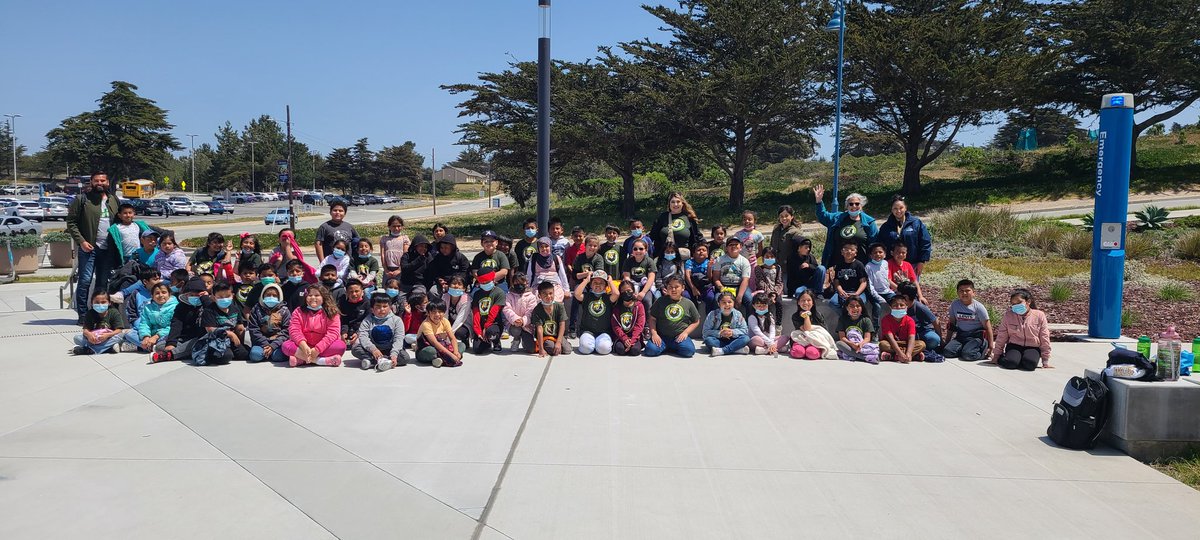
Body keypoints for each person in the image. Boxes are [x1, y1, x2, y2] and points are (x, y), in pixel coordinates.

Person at [67, 172, 122, 320]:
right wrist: (82, 241)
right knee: (85, 281)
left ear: (108, 182)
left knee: (102, 284)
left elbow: (121, 221)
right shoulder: (82, 199)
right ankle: (83, 315)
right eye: (96, 180)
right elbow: (71, 223)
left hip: (107, 250)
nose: (100, 183)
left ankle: (100, 315)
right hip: (88, 248)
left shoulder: (113, 199)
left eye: (102, 180)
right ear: (91, 182)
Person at [813, 185, 878, 267]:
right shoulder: (837, 218)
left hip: (860, 267)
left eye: (857, 204)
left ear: (861, 206)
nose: (854, 206)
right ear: (847, 206)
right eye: (851, 204)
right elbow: (823, 216)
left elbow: (875, 243)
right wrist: (819, 202)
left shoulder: (869, 222)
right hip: (837, 265)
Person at [989, 288, 1052, 370]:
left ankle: (1021, 360)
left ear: (1028, 302)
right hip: (1014, 345)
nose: (1016, 306)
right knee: (1010, 363)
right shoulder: (1008, 315)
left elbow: (1044, 336)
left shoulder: (1039, 315)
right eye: (1013, 304)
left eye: (1019, 302)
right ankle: (1006, 358)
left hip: (1032, 347)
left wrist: (1045, 360)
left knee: (1030, 365)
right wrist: (996, 356)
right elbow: (1002, 336)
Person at [284, 285, 345, 367]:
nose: (313, 297)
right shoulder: (298, 311)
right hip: (304, 346)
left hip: (323, 346)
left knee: (340, 346)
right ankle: (322, 361)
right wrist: (304, 346)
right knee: (285, 346)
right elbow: (294, 330)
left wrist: (317, 350)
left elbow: (333, 333)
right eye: (309, 295)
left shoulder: (332, 312)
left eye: (317, 295)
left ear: (323, 297)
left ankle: (302, 359)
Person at [154, 276, 210, 363]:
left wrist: (206, 300)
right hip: (184, 338)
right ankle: (181, 352)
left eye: (198, 295)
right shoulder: (181, 306)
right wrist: (171, 343)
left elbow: (213, 315)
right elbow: (176, 324)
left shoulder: (208, 305)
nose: (195, 297)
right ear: (187, 295)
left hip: (200, 337)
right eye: (192, 295)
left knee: (198, 343)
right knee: (159, 346)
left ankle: (170, 355)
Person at [644, 275, 701, 358]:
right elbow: (652, 318)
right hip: (662, 337)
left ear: (682, 288)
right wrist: (654, 334)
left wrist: (685, 333)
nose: (673, 290)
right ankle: (665, 346)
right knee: (650, 350)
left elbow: (696, 321)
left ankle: (672, 347)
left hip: (678, 337)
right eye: (670, 287)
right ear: (667, 288)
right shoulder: (660, 301)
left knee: (689, 351)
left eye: (676, 287)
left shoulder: (688, 303)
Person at [878, 194, 932, 276]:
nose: (898, 211)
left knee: (912, 288)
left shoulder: (916, 223)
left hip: (912, 264)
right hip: (892, 266)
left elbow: (925, 242)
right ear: (891, 210)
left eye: (901, 208)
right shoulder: (885, 227)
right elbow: (880, 245)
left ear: (906, 208)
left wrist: (921, 261)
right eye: (895, 208)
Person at [195, 282, 249, 364]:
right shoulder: (209, 310)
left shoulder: (235, 309)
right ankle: (209, 354)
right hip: (215, 340)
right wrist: (230, 334)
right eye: (220, 297)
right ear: (213, 297)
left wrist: (240, 343)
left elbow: (240, 327)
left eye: (227, 296)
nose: (224, 299)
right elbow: (210, 330)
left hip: (231, 340)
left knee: (245, 355)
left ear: (233, 296)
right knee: (226, 356)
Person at [353, 292, 408, 371]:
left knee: (405, 358)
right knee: (355, 349)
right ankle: (381, 361)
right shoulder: (367, 320)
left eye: (385, 306)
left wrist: (394, 354)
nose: (382, 309)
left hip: (390, 349)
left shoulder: (397, 320)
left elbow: (399, 338)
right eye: (378, 307)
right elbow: (363, 336)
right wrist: (373, 349)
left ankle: (373, 362)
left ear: (390, 308)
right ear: (372, 309)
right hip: (373, 350)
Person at [943, 279, 994, 361]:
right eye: (961, 291)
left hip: (975, 337)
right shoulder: (954, 305)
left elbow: (988, 327)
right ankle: (965, 349)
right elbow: (952, 324)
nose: (964, 293)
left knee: (968, 355)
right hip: (961, 336)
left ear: (973, 292)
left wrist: (990, 346)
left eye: (967, 290)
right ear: (957, 292)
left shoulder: (979, 307)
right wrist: (947, 342)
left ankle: (981, 349)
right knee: (947, 352)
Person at [574, 270, 619, 355]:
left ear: (606, 285)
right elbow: (577, 294)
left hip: (604, 331)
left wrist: (610, 282)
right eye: (595, 282)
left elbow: (616, 294)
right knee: (585, 349)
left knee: (604, 349)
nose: (598, 285)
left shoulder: (607, 298)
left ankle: (597, 344)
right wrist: (587, 280)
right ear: (591, 285)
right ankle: (592, 344)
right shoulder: (587, 296)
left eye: (601, 283)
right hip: (587, 331)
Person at [124, 282, 177, 354]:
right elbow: (145, 323)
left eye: (164, 292)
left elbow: (173, 327)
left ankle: (145, 347)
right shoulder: (148, 308)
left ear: (169, 294)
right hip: (151, 335)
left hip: (164, 335)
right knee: (129, 333)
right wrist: (146, 336)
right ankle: (151, 347)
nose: (161, 295)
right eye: (157, 293)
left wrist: (156, 336)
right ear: (152, 296)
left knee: (167, 338)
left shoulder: (175, 307)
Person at [784, 290, 838, 359]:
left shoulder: (818, 315)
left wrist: (806, 315)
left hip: (815, 340)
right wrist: (806, 315)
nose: (806, 303)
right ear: (798, 302)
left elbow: (823, 331)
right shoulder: (795, 316)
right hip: (801, 339)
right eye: (803, 300)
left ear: (813, 303)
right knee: (798, 352)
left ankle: (812, 350)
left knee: (811, 353)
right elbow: (806, 329)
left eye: (808, 300)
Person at [569, 234, 605, 336]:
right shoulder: (579, 257)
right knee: (576, 297)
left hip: (595, 284)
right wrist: (586, 274)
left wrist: (584, 275)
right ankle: (572, 327)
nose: (592, 248)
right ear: (585, 245)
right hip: (582, 284)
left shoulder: (598, 258)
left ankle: (590, 327)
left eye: (595, 246)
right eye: (590, 245)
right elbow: (575, 275)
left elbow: (598, 274)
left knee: (593, 299)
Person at [247, 282, 291, 363]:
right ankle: (267, 352)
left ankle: (269, 353)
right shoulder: (256, 309)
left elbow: (286, 331)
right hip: (260, 342)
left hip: (278, 343)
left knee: (278, 357)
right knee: (255, 355)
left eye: (274, 295)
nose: (271, 297)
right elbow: (253, 329)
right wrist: (266, 345)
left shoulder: (285, 311)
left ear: (279, 297)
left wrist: (273, 346)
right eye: (268, 295)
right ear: (263, 296)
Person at [650, 191, 704, 258]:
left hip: (684, 257)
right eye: (672, 202)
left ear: (682, 203)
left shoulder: (689, 218)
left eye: (678, 202)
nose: (675, 204)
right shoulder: (662, 217)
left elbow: (698, 237)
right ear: (669, 204)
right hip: (665, 258)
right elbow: (652, 236)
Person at [73, 290, 127, 355]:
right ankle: (109, 348)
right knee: (77, 338)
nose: (100, 305)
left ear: (109, 303)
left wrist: (107, 335)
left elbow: (119, 330)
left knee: (120, 336)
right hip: (95, 339)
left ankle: (91, 350)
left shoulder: (114, 312)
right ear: (92, 303)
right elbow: (85, 330)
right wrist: (89, 335)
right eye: (97, 302)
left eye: (103, 302)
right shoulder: (90, 313)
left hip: (109, 337)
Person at [417, 300, 464, 367]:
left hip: (443, 345)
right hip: (426, 348)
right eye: (434, 312)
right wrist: (451, 355)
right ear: (428, 313)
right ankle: (444, 358)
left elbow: (452, 338)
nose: (437, 314)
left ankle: (439, 360)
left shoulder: (445, 321)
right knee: (431, 351)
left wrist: (456, 352)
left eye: (440, 312)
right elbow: (434, 343)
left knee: (461, 345)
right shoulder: (426, 324)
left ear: (444, 313)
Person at [702, 291, 750, 356]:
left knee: (745, 338)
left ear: (733, 303)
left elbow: (745, 330)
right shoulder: (712, 314)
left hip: (733, 339)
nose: (727, 304)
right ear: (718, 304)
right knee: (709, 340)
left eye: (729, 302)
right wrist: (720, 333)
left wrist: (732, 332)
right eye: (723, 302)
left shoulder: (738, 314)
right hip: (718, 340)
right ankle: (736, 349)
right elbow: (705, 332)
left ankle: (722, 350)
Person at [879, 295, 926, 363]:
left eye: (902, 305)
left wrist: (909, 353)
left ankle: (894, 356)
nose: (898, 307)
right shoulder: (885, 319)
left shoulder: (910, 320)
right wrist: (900, 353)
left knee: (922, 344)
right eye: (895, 305)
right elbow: (890, 338)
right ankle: (912, 356)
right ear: (890, 307)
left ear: (906, 307)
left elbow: (911, 338)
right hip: (891, 343)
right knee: (882, 344)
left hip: (906, 343)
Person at [469, 271, 506, 354]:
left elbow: (494, 312)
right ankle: (486, 342)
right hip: (481, 324)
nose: (485, 284)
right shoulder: (477, 294)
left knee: (491, 332)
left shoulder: (499, 292)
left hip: (494, 323)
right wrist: (478, 331)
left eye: (487, 282)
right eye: (483, 282)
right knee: (477, 349)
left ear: (493, 280)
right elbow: (476, 313)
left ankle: (496, 342)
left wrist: (486, 327)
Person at [532, 281, 571, 357]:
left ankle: (561, 343)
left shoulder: (559, 306)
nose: (548, 296)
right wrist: (541, 349)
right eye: (545, 294)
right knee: (553, 349)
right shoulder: (537, 310)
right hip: (545, 337)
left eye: (550, 293)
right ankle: (547, 346)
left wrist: (559, 342)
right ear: (539, 296)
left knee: (568, 350)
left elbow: (562, 324)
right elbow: (539, 329)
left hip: (556, 335)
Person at [897, 283, 940, 350]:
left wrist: (941, 341)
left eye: (899, 295)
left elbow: (936, 321)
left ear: (906, 297)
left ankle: (917, 349)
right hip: (905, 334)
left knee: (934, 339)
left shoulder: (920, 307)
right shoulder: (896, 306)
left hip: (921, 332)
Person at [526, 237, 570, 303]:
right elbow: (529, 274)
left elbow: (562, 274)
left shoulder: (556, 258)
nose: (544, 249)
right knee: (538, 301)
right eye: (541, 247)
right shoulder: (534, 258)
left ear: (550, 247)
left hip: (554, 285)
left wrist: (566, 290)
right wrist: (528, 287)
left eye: (546, 246)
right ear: (538, 248)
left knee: (555, 301)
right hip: (538, 285)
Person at [503, 273, 539, 353]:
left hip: (527, 326)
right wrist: (515, 319)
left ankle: (525, 340)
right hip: (513, 324)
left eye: (521, 283)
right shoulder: (508, 296)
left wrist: (523, 321)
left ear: (526, 282)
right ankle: (516, 340)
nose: (519, 285)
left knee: (531, 349)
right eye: (516, 283)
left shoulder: (532, 297)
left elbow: (531, 312)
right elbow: (507, 309)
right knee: (516, 330)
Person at [712, 236, 752, 308]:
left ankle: (749, 319)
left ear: (740, 247)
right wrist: (722, 288)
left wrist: (739, 297)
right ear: (726, 248)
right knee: (716, 300)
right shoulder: (719, 260)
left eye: (736, 244)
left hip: (739, 286)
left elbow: (745, 280)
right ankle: (717, 318)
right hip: (724, 286)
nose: (733, 246)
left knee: (749, 299)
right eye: (731, 245)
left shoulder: (744, 261)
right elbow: (716, 278)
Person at [825, 243, 868, 309]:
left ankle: (854, 317)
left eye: (852, 250)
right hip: (843, 291)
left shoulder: (859, 265)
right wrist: (840, 290)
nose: (849, 251)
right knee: (833, 302)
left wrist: (856, 293)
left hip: (856, 291)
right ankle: (844, 316)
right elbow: (836, 281)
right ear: (842, 252)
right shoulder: (839, 265)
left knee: (861, 303)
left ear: (856, 253)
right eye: (846, 249)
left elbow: (864, 282)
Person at [835, 297, 878, 363]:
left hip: (862, 345)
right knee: (839, 344)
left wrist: (860, 344)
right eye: (851, 306)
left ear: (862, 308)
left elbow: (867, 338)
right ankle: (864, 357)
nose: (855, 308)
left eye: (858, 306)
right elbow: (842, 337)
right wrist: (852, 344)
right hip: (849, 345)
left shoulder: (866, 320)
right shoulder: (842, 319)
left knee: (875, 347)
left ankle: (854, 355)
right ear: (847, 308)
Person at [864, 243, 893, 334]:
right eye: (875, 252)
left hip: (887, 291)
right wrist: (879, 298)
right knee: (877, 307)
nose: (878, 254)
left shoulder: (885, 263)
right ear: (871, 255)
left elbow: (887, 279)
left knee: (898, 302)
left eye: (880, 252)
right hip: (874, 293)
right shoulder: (868, 267)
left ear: (884, 254)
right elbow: (870, 285)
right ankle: (875, 331)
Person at [611, 281, 646, 356]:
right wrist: (624, 339)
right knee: (621, 350)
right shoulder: (617, 308)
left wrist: (632, 340)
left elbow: (640, 325)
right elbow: (615, 326)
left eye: (629, 291)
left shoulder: (639, 306)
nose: (626, 293)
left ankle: (632, 345)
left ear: (633, 291)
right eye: (623, 291)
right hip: (621, 337)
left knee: (635, 350)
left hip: (635, 336)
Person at [621, 238, 656, 312]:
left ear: (646, 250)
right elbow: (626, 277)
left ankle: (648, 322)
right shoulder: (628, 261)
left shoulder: (649, 261)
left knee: (647, 300)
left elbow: (651, 278)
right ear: (632, 250)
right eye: (635, 249)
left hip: (646, 285)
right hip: (632, 285)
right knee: (627, 298)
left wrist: (643, 292)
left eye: (641, 249)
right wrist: (631, 292)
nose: (638, 251)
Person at [338, 279, 370, 352]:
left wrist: (358, 333)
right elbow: (343, 320)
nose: (354, 294)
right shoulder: (343, 303)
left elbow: (368, 321)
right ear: (346, 292)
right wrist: (344, 332)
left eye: (357, 291)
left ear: (362, 291)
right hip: (348, 329)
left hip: (362, 330)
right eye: (351, 292)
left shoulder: (367, 303)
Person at [753, 246, 784, 321]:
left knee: (779, 303)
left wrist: (775, 294)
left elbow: (779, 282)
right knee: (764, 303)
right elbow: (761, 283)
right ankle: (764, 323)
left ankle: (778, 325)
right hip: (764, 291)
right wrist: (769, 293)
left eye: (772, 256)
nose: (769, 258)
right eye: (767, 256)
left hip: (776, 292)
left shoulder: (778, 268)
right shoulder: (759, 268)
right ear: (763, 258)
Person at [770, 205, 803, 271]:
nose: (784, 218)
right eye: (781, 216)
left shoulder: (795, 232)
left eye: (786, 216)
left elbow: (798, 252)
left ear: (792, 217)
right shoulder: (776, 230)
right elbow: (771, 245)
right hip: (774, 266)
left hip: (788, 268)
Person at [441, 275, 473, 345]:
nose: (456, 286)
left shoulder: (466, 300)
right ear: (449, 286)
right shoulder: (444, 297)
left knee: (460, 333)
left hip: (463, 323)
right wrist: (444, 329)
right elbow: (444, 315)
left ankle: (465, 339)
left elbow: (461, 319)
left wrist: (450, 333)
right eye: (454, 283)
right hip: (449, 321)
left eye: (459, 284)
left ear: (464, 288)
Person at [684, 243, 716, 312]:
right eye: (698, 250)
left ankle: (709, 316)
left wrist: (709, 267)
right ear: (694, 253)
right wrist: (693, 288)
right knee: (686, 296)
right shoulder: (689, 262)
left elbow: (709, 278)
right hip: (692, 285)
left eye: (704, 250)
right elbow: (687, 276)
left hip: (705, 287)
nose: (701, 251)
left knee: (710, 297)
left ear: (707, 254)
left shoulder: (708, 262)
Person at [380, 215, 410, 284]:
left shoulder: (404, 239)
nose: (396, 228)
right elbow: (382, 255)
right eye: (393, 226)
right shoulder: (384, 239)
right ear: (389, 226)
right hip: (388, 269)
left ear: (402, 226)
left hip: (401, 269)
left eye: (399, 226)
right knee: (387, 288)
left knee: (400, 288)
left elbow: (405, 254)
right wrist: (386, 270)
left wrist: (400, 269)